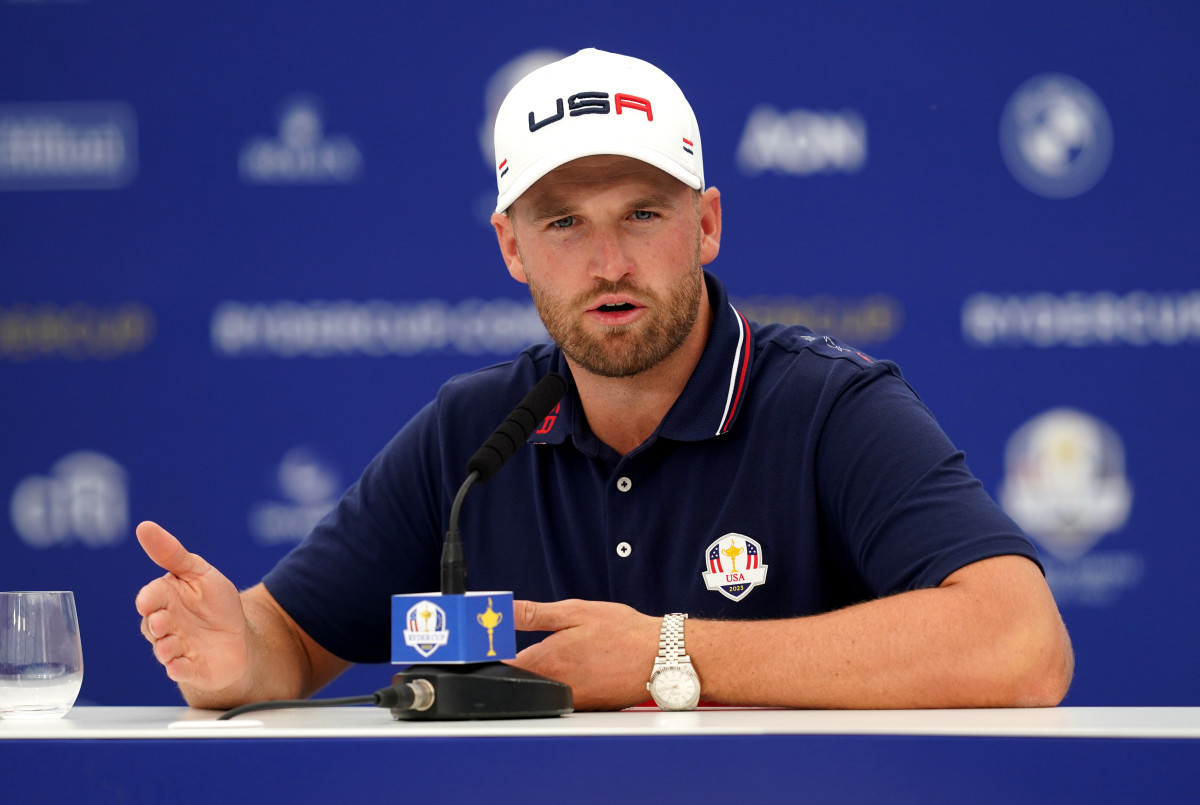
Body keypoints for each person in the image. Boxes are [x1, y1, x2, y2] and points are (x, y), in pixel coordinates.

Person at [136, 48, 1073, 712]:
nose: (609, 261)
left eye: (642, 212)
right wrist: (235, 654)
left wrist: (669, 651)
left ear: (705, 225)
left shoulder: (828, 405)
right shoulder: (477, 428)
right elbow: (289, 642)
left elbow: (1021, 643)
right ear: (511, 246)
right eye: (562, 224)